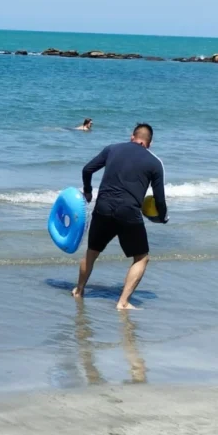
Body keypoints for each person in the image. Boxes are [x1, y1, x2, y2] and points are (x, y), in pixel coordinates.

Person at [73, 123, 167, 310]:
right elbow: (159, 199)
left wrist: (88, 192)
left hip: (103, 208)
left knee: (92, 252)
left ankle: (79, 290)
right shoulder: (155, 163)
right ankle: (123, 302)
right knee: (141, 258)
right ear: (149, 143)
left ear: (132, 137)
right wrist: (162, 217)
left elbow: (87, 170)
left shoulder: (112, 149)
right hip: (128, 212)